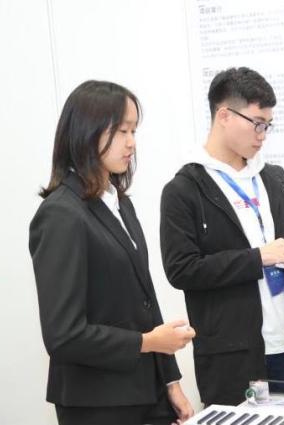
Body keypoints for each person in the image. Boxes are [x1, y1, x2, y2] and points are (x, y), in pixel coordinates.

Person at [160, 67, 284, 406]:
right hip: (234, 355)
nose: (263, 135)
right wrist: (258, 257)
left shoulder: (272, 178)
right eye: (257, 123)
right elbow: (182, 270)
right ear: (224, 116)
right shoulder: (184, 190)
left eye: (268, 125)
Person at [29, 80, 196, 424]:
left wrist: (171, 381)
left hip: (147, 392)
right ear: (86, 132)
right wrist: (147, 342)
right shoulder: (61, 213)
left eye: (134, 130)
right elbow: (63, 335)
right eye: (122, 131)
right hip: (96, 403)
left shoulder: (118, 202)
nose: (131, 142)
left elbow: (146, 299)